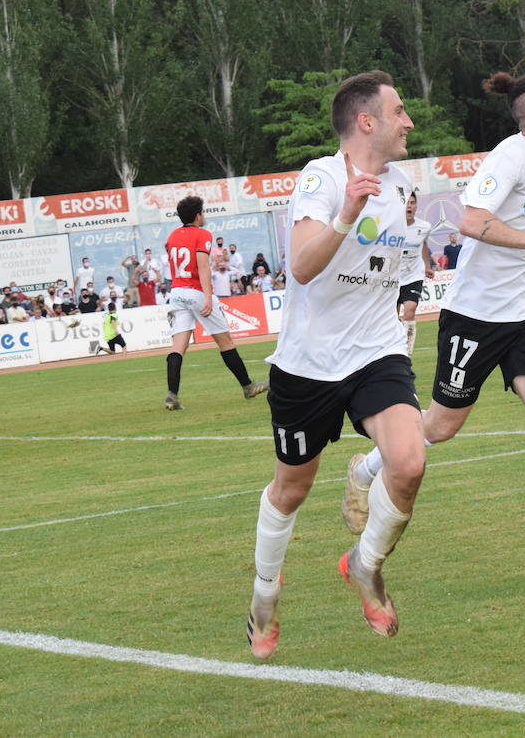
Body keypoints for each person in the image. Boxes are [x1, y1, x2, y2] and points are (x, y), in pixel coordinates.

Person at [344, 70, 525, 574]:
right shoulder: (511, 156)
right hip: (475, 316)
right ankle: (367, 466)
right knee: (441, 425)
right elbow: (471, 220)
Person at [247, 70, 427, 661]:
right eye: (399, 111)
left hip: (376, 351)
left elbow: (397, 266)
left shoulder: (402, 186)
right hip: (307, 364)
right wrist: (346, 212)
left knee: (409, 460)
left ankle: (366, 565)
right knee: (292, 487)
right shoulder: (322, 177)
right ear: (366, 121)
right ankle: (265, 594)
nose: (409, 121)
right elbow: (299, 266)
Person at [163, 195, 268, 410]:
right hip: (195, 292)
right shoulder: (202, 234)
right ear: (198, 215)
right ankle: (248, 386)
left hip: (176, 293)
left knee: (177, 348)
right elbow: (203, 266)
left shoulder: (173, 236)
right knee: (225, 342)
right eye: (203, 211)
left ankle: (172, 395)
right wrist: (208, 297)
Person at [396, 191, 435, 355]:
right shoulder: (393, 226)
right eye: (407, 203)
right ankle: (394, 347)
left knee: (410, 309)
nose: (409, 206)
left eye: (412, 203)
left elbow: (423, 245)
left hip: (414, 275)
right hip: (393, 277)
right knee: (392, 316)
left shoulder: (424, 227)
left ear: (416, 206)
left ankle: (408, 351)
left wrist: (427, 266)